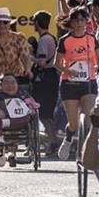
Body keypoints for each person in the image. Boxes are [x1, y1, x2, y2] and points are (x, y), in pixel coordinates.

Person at [56, 7, 99, 161]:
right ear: (72, 22)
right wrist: (68, 71)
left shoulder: (92, 38)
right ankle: (68, 138)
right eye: (76, 20)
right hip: (70, 84)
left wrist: (98, 65)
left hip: (88, 82)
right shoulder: (65, 40)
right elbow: (56, 63)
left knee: (89, 120)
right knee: (74, 124)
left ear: (86, 21)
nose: (80, 23)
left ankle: (85, 152)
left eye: (82, 20)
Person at [0, 74, 41, 167]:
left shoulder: (23, 93)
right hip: (0, 120)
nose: (10, 85)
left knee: (29, 115)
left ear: (17, 84)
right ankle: (0, 144)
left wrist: (30, 107)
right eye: (6, 82)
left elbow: (32, 105)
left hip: (19, 122)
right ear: (0, 84)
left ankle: (11, 153)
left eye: (13, 82)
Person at [30, 11, 61, 155]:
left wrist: (29, 56)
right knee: (47, 113)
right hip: (52, 77)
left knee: (44, 113)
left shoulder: (44, 40)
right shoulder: (51, 38)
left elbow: (42, 62)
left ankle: (52, 142)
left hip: (45, 78)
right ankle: (52, 141)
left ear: (37, 23)